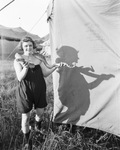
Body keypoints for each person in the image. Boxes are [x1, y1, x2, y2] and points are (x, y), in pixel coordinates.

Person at [14, 36, 59, 149]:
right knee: (25, 118)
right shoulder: (18, 59)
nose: (28, 47)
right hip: (25, 91)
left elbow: (45, 73)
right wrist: (25, 67)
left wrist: (56, 67)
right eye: (26, 46)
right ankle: (27, 142)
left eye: (30, 45)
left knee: (40, 113)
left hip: (39, 89)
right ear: (22, 47)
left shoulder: (38, 58)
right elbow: (20, 78)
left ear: (33, 46)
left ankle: (38, 129)